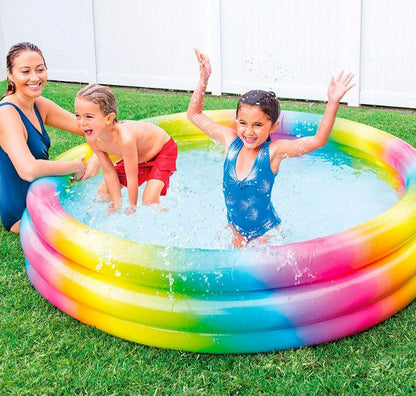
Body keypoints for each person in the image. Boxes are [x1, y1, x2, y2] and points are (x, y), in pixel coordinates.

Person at [187, 49, 355, 247]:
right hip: (234, 230)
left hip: (265, 234)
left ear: (273, 127)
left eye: (258, 125)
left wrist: (333, 102)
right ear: (236, 121)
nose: (249, 132)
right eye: (243, 123)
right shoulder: (230, 141)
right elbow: (194, 115)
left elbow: (318, 141)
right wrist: (204, 79)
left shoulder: (273, 153)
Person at [0, 42, 99, 234]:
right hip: (23, 213)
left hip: (46, 194)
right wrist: (75, 167)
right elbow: (28, 170)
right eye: (25, 71)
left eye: (40, 69)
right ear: (10, 75)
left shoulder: (39, 105)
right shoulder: (6, 115)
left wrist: (97, 157)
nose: (35, 78)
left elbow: (91, 128)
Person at [74, 84, 178, 213]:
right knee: (103, 194)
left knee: (149, 202)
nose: (81, 123)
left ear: (109, 118)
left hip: (162, 151)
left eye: (89, 116)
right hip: (138, 158)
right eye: (78, 115)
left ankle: (170, 217)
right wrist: (117, 204)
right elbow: (108, 171)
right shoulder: (92, 137)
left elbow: (131, 177)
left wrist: (131, 207)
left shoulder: (125, 138)